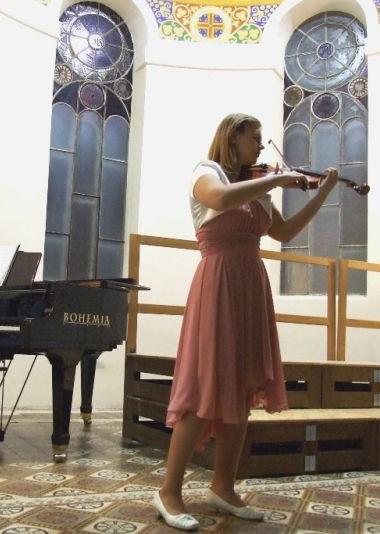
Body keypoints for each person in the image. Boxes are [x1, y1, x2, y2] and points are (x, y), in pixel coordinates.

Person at [153, 113, 339, 530]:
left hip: (251, 284)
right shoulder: (207, 173)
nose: (259, 145)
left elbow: (284, 233)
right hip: (218, 282)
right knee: (204, 386)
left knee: (241, 386)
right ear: (232, 137)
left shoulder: (257, 186)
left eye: (260, 138)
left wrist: (322, 194)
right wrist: (275, 181)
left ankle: (223, 486)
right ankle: (168, 492)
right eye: (253, 137)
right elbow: (220, 199)